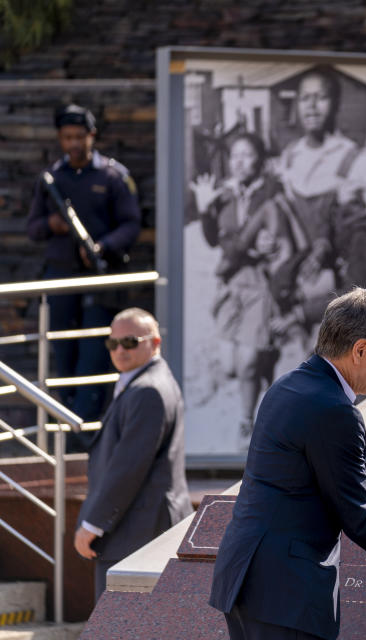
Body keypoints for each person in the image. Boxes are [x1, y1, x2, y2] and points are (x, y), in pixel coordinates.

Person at [209, 288, 366, 639]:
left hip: (249, 580)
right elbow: (356, 513)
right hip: (286, 594)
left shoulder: (291, 385)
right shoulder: (335, 409)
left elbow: (339, 458)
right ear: (360, 350)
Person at [268, 68, 366, 336]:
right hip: (284, 271)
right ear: (296, 104)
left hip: (326, 284)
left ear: (335, 105)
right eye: (305, 97)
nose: (312, 105)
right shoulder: (290, 156)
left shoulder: (357, 160)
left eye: (321, 97)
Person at [25, 103, 142, 445]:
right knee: (64, 361)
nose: (74, 143)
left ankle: (85, 437)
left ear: (92, 136)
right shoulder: (51, 179)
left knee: (94, 360)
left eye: (80, 136)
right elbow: (32, 228)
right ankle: (71, 435)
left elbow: (132, 224)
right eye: (67, 137)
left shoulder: (112, 176)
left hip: (99, 281)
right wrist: (54, 223)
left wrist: (101, 247)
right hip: (61, 280)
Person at [73, 307, 192, 600]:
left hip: (137, 533)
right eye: (113, 344)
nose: (120, 351)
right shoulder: (145, 383)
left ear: (155, 343)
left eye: (129, 342)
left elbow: (128, 466)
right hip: (140, 530)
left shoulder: (148, 390)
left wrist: (93, 523)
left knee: (125, 625)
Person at [190, 133, 287, 443]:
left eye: (247, 154)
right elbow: (212, 239)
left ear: (259, 159)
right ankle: (263, 365)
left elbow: (281, 238)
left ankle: (247, 420)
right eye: (235, 156)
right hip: (230, 283)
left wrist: (271, 243)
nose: (240, 161)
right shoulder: (224, 195)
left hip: (261, 283)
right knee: (231, 363)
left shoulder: (273, 190)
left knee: (247, 363)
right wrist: (206, 209)